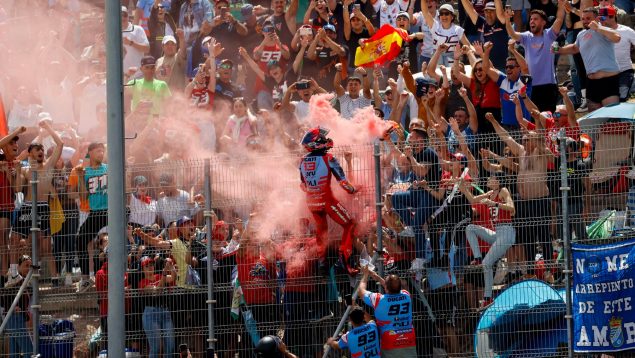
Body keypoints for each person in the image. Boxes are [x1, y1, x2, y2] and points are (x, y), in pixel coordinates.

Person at [299, 127, 357, 274]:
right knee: (349, 224)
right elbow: (344, 183)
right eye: (322, 139)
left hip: (312, 202)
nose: (326, 141)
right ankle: (343, 260)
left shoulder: (302, 161)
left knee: (322, 230)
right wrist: (354, 190)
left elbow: (303, 185)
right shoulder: (329, 158)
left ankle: (322, 262)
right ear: (316, 143)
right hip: (327, 201)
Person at [16, 120, 64, 282]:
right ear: (30, 154)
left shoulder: (49, 166)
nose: (41, 151)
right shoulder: (25, 169)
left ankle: (55, 278)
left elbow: (60, 144)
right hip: (27, 206)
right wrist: (20, 161)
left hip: (43, 207)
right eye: (37, 149)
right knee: (28, 245)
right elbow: (17, 187)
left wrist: (48, 128)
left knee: (45, 247)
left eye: (42, 149)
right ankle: (27, 278)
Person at [461, 171, 515, 308]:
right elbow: (473, 200)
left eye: (491, 177)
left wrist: (494, 204)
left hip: (507, 232)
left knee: (487, 264)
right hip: (497, 233)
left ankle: (487, 298)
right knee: (470, 228)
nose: (489, 179)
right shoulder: (490, 193)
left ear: (498, 181)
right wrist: (462, 187)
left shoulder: (503, 191)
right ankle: (477, 258)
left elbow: (512, 208)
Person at [556, 7, 621, 112]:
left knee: (611, 118)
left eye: (588, 18)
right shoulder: (581, 34)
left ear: (596, 18)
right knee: (594, 120)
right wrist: (559, 50)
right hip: (591, 82)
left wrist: (598, 28)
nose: (585, 21)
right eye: (583, 19)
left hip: (608, 80)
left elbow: (617, 37)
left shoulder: (604, 29)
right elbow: (574, 48)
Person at [505, 3, 565, 112]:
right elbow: (512, 34)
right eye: (531, 19)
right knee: (535, 121)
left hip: (549, 86)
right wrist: (508, 20)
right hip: (532, 86)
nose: (532, 21)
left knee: (548, 121)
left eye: (536, 19)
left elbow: (559, 20)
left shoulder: (549, 35)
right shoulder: (527, 37)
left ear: (543, 22)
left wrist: (561, 4)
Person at [359, 268, 417, 356]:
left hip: (389, 341)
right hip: (408, 339)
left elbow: (361, 291)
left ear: (385, 287)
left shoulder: (378, 299)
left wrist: (365, 275)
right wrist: (378, 278)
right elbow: (394, 288)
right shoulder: (406, 295)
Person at [75, 142, 108, 293]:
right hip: (95, 213)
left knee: (110, 243)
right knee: (81, 239)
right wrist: (81, 177)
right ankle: (86, 279)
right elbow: (83, 197)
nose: (101, 153)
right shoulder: (85, 171)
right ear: (90, 153)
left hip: (110, 211)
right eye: (98, 151)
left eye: (103, 151)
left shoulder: (109, 168)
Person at [482, 40, 531, 129]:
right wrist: (486, 51)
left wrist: (513, 50)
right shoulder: (503, 80)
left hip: (522, 126)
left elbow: (524, 67)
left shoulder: (523, 80)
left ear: (518, 68)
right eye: (506, 67)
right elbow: (486, 68)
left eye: (511, 67)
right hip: (506, 126)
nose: (508, 69)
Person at [0, 127, 26, 280]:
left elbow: (17, 189)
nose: (15, 144)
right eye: (11, 143)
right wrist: (16, 131)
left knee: (3, 238)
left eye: (16, 142)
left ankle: (5, 274)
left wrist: (9, 174)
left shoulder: (16, 165)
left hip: (6, 206)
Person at [139, 256, 177, 357]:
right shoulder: (142, 282)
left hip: (165, 311)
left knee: (170, 345)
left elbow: (173, 277)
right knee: (156, 347)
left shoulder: (159, 276)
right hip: (151, 313)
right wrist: (164, 274)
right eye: (147, 266)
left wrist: (171, 266)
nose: (150, 267)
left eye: (151, 264)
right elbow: (157, 291)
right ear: (142, 269)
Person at [598, 6, 635, 102]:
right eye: (599, 18)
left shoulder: (627, 31)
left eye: (602, 18)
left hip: (624, 72)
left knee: (622, 100)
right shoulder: (597, 31)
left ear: (612, 16)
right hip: (605, 74)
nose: (600, 21)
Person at [420, 1, 472, 66]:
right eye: (441, 13)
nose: (443, 16)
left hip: (453, 62)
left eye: (446, 13)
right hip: (436, 61)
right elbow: (425, 12)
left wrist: (476, 51)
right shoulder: (435, 25)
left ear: (452, 16)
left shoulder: (458, 30)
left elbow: (469, 46)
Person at [461, 0, 509, 70]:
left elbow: (500, 11)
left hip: (502, 68)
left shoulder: (502, 24)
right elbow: (470, 10)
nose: (488, 14)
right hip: (487, 68)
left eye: (492, 11)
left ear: (496, 13)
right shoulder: (482, 24)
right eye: (486, 11)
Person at [2, 255, 33, 357]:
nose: (28, 268)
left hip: (17, 319)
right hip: (13, 317)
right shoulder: (14, 278)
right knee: (29, 350)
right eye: (26, 265)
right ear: (18, 266)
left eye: (30, 266)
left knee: (14, 352)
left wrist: (26, 316)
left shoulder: (27, 282)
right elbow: (4, 296)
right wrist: (12, 307)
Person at [122, 6, 151, 73]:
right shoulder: (113, 32)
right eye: (120, 15)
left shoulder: (137, 29)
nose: (122, 17)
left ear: (128, 16)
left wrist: (131, 43)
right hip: (120, 76)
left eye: (125, 15)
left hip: (137, 74)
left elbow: (147, 49)